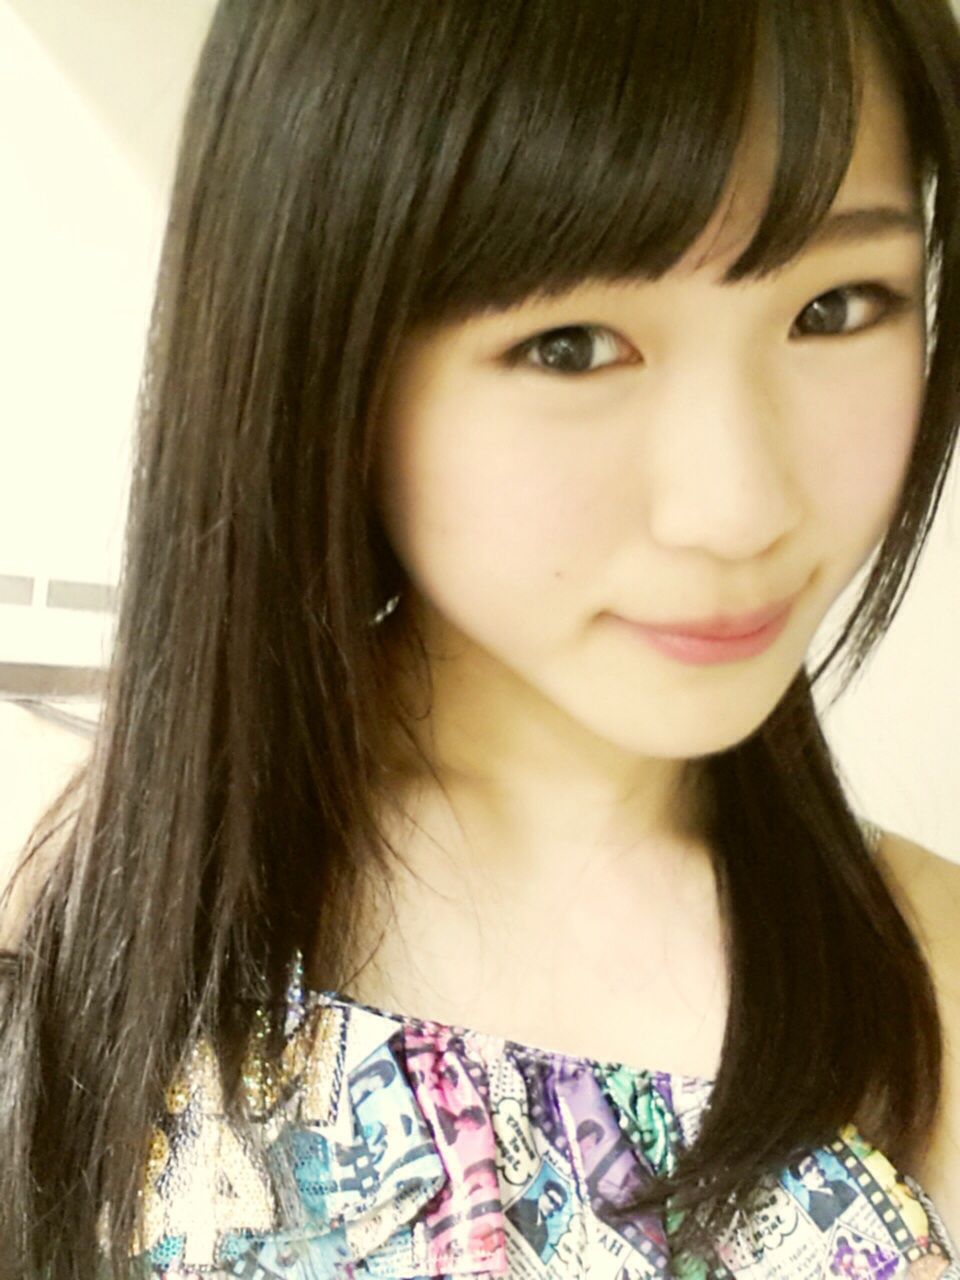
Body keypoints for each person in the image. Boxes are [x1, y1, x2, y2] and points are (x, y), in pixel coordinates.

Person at [1, 1, 959, 1277]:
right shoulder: (74, 899)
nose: (740, 507)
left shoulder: (930, 994)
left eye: (836, 307)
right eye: (571, 345)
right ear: (321, 353)